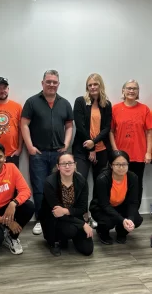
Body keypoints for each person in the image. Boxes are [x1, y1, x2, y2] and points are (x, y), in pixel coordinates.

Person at [21, 70, 73, 235]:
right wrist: (30, 147)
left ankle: (58, 216)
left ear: (58, 84)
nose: (51, 84)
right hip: (39, 154)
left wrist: (66, 143)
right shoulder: (31, 102)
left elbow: (69, 126)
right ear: (42, 83)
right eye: (48, 81)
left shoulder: (65, 103)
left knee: (59, 186)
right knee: (39, 187)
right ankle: (40, 219)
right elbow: (24, 125)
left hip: (59, 154)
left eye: (54, 82)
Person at [73, 73, 112, 226]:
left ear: (100, 85)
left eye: (96, 84)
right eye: (90, 85)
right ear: (87, 87)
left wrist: (94, 144)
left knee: (100, 183)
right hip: (82, 149)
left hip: (101, 150)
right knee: (80, 181)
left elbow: (107, 128)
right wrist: (90, 147)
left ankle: (96, 213)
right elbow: (80, 125)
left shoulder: (106, 104)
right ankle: (83, 213)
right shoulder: (81, 101)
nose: (93, 87)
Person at [39, 153, 93, 257]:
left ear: (75, 164)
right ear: (58, 167)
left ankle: (70, 235)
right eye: (63, 164)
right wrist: (82, 224)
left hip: (73, 216)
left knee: (88, 250)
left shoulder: (82, 181)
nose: (67, 166)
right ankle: (55, 241)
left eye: (70, 163)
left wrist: (66, 211)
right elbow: (56, 212)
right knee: (70, 230)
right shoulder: (50, 182)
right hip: (53, 219)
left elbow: (82, 209)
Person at [109, 80, 152, 207]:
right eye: (128, 88)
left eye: (134, 88)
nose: (131, 91)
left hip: (139, 155)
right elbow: (110, 131)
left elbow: (149, 133)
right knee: (119, 184)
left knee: (136, 185)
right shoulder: (115, 109)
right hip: (120, 156)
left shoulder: (144, 109)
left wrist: (148, 152)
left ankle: (133, 213)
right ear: (123, 91)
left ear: (138, 91)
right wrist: (115, 151)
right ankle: (119, 213)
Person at [90, 150, 143, 245]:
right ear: (111, 165)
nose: (121, 167)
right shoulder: (102, 179)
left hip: (121, 206)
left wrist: (130, 219)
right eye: (117, 164)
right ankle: (102, 232)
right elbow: (104, 205)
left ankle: (122, 232)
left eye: (124, 164)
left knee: (137, 219)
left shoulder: (133, 177)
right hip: (102, 208)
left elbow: (133, 202)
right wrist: (122, 220)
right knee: (108, 222)